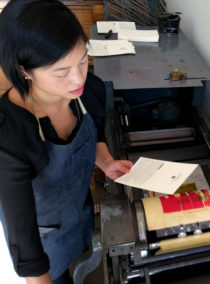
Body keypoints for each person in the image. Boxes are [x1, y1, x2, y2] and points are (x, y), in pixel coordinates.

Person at [0, 0, 133, 283]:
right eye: (61, 71)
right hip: (42, 239)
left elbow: (93, 132)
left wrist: (105, 161)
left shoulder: (88, 91)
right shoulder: (9, 137)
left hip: (77, 215)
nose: (78, 78)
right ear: (24, 70)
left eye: (83, 60)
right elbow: (23, 238)